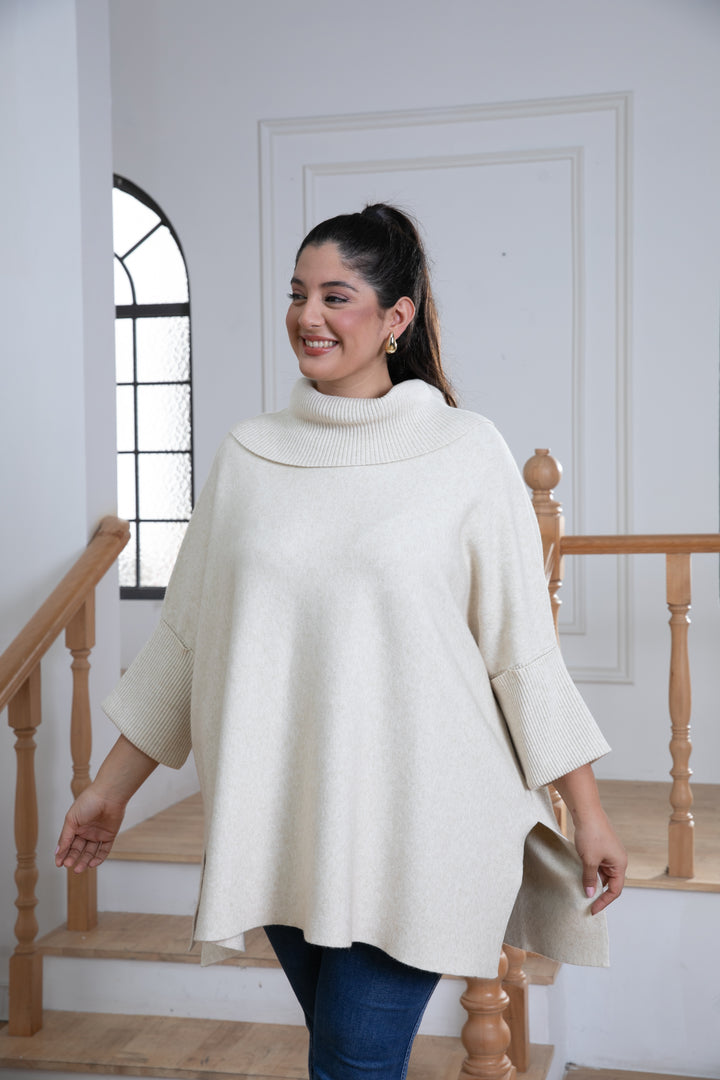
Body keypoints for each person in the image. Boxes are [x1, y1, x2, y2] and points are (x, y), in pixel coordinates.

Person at [56, 203, 627, 1080]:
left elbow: (521, 652)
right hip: (285, 818)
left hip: (424, 820)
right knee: (345, 1060)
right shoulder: (250, 455)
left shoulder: (466, 451)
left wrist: (587, 815)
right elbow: (185, 643)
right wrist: (108, 792)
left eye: (335, 296)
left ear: (397, 317)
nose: (308, 316)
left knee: (351, 1065)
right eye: (297, 294)